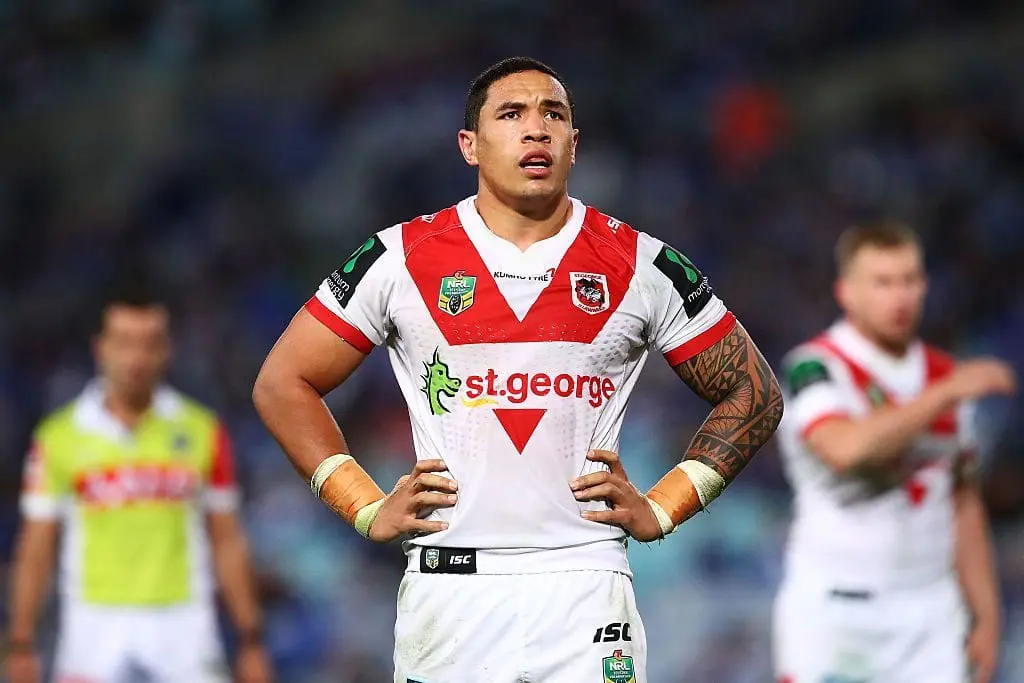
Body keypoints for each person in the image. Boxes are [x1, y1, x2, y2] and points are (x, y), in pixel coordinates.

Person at [253, 56, 783, 683]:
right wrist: (364, 507)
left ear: (573, 144)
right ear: (469, 146)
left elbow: (754, 392)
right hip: (452, 591)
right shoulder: (399, 258)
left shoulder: (640, 263)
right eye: (511, 114)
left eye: (553, 115)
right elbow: (282, 384)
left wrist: (665, 506)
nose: (536, 129)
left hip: (585, 587)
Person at [773, 223, 1018, 683]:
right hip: (836, 617)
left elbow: (963, 504)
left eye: (909, 280)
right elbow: (845, 449)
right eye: (882, 282)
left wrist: (987, 613)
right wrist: (942, 396)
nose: (899, 296)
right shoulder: (816, 366)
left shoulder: (946, 376)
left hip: (931, 616)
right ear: (846, 292)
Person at [5, 288, 273, 683]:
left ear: (167, 350)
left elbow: (226, 539)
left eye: (150, 344)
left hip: (184, 625)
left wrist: (250, 637)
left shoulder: (203, 432)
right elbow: (36, 546)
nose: (136, 358)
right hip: (93, 626)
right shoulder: (57, 438)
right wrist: (21, 640)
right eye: (124, 342)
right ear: (100, 347)